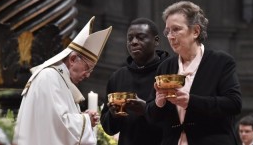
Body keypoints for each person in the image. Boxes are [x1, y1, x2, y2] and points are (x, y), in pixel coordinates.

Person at [145, 1, 242, 145]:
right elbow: (151, 116)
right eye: (168, 31)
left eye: (176, 29)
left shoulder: (221, 62)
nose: (170, 36)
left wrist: (191, 101)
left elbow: (234, 104)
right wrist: (158, 103)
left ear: (195, 31)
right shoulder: (166, 66)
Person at [13, 16, 112, 145]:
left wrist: (82, 116)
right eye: (87, 68)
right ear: (72, 59)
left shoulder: (61, 80)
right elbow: (57, 125)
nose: (87, 75)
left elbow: (56, 120)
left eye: (90, 71)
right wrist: (85, 120)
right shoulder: (49, 77)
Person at [100, 18, 170, 145]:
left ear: (156, 41)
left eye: (141, 37)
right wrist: (114, 115)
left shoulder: (169, 71)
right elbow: (108, 129)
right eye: (130, 38)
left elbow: (179, 118)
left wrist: (146, 110)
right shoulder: (118, 77)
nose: (134, 42)